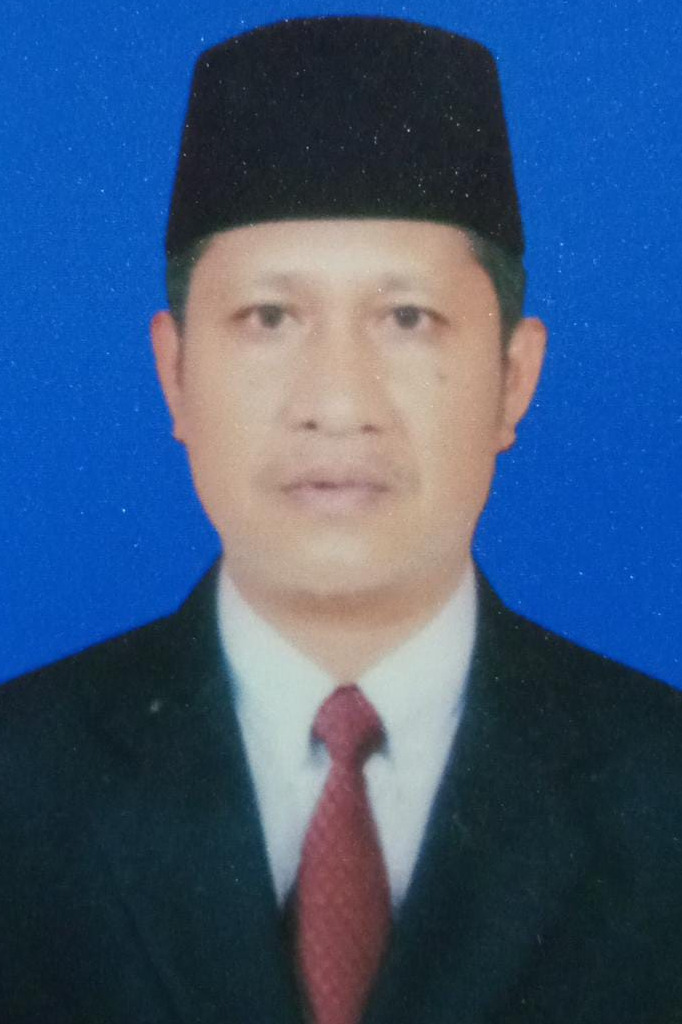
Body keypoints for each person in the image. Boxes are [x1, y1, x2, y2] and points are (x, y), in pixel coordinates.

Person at [1, 16, 681, 1024]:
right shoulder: (18, 789)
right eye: (269, 318)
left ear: (513, 378)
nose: (336, 402)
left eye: (407, 319)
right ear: (175, 373)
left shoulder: (664, 791)